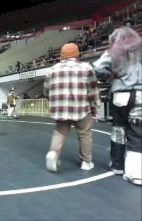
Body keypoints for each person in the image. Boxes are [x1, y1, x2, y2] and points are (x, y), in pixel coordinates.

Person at [93, 26, 142, 185]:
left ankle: (118, 166)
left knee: (118, 130)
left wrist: (109, 75)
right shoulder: (139, 51)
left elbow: (98, 67)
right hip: (140, 94)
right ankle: (136, 173)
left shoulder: (114, 51)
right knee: (136, 132)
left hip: (121, 93)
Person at [44, 43, 100, 172]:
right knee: (85, 134)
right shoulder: (85, 67)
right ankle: (86, 162)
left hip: (61, 109)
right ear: (77, 54)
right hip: (82, 108)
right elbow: (93, 91)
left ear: (61, 55)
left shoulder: (52, 70)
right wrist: (94, 108)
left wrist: (54, 103)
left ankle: (53, 153)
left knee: (59, 132)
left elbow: (46, 91)